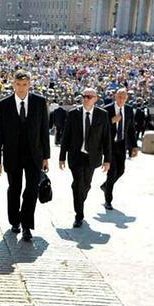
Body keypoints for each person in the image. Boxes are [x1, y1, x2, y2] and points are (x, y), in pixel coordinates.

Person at [0, 70, 50, 241]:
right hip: (12, 155)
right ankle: (14, 221)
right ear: (13, 85)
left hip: (34, 155)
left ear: (29, 84)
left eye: (25, 85)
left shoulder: (39, 103)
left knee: (31, 190)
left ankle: (27, 225)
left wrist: (46, 156)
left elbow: (44, 131)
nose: (22, 88)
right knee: (14, 189)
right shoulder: (3, 105)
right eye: (18, 84)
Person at [59, 88, 111, 228]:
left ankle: (79, 199)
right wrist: (62, 157)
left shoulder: (102, 115)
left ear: (96, 99)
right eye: (84, 96)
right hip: (76, 155)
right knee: (77, 184)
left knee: (86, 185)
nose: (86, 99)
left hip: (92, 157)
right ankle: (79, 215)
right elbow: (66, 136)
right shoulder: (73, 114)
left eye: (89, 97)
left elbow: (106, 138)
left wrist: (107, 160)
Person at [101, 89, 138, 211]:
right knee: (112, 172)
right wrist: (111, 121)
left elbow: (131, 129)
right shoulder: (107, 109)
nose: (121, 99)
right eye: (119, 97)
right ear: (115, 97)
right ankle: (108, 200)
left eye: (124, 97)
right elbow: (99, 126)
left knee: (121, 171)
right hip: (109, 145)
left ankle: (106, 186)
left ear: (127, 98)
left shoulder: (128, 110)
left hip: (122, 144)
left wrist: (134, 146)